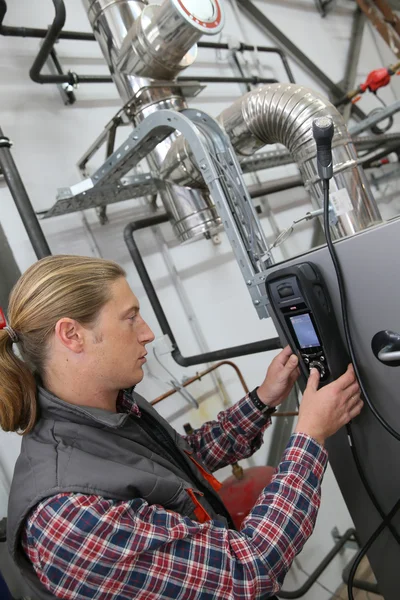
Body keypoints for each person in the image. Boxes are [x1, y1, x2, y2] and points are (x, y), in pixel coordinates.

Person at [0, 255, 362, 600]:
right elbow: (249, 571)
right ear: (72, 335)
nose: (147, 333)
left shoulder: (111, 407)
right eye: (130, 317)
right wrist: (310, 436)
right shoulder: (68, 515)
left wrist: (263, 399)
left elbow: (181, 462)